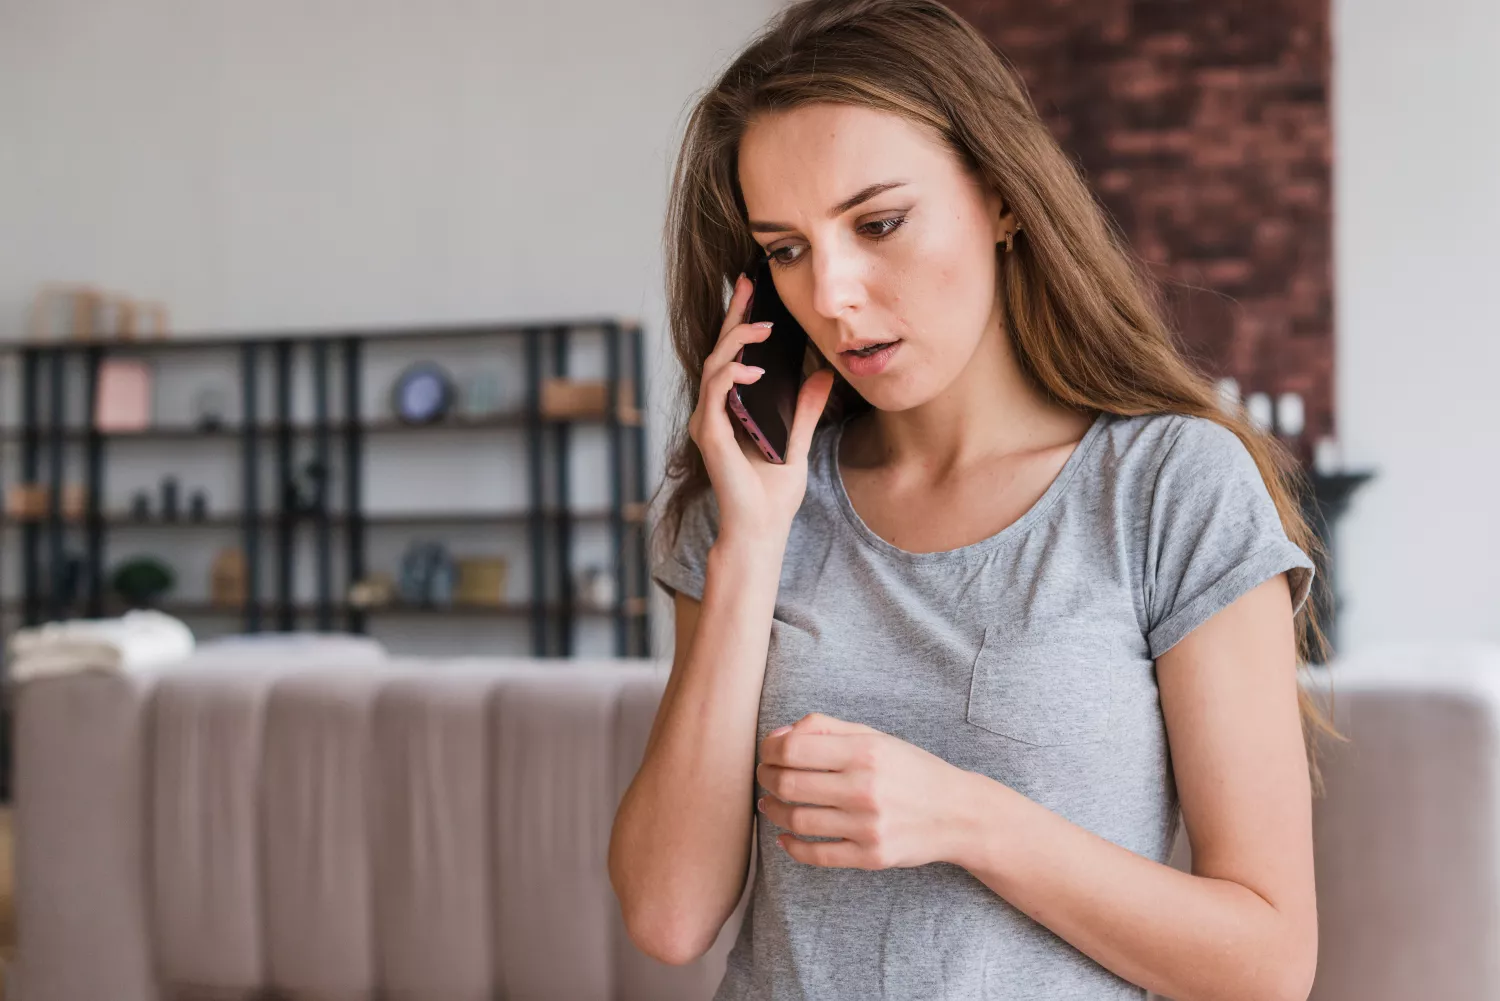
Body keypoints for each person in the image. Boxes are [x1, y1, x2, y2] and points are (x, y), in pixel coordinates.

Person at [609, 1, 1341, 998]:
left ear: (1001, 198)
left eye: (878, 224)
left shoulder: (1172, 487)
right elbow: (668, 912)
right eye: (786, 248)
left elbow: (1266, 961)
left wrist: (963, 816)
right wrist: (749, 541)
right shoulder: (752, 505)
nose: (832, 295)